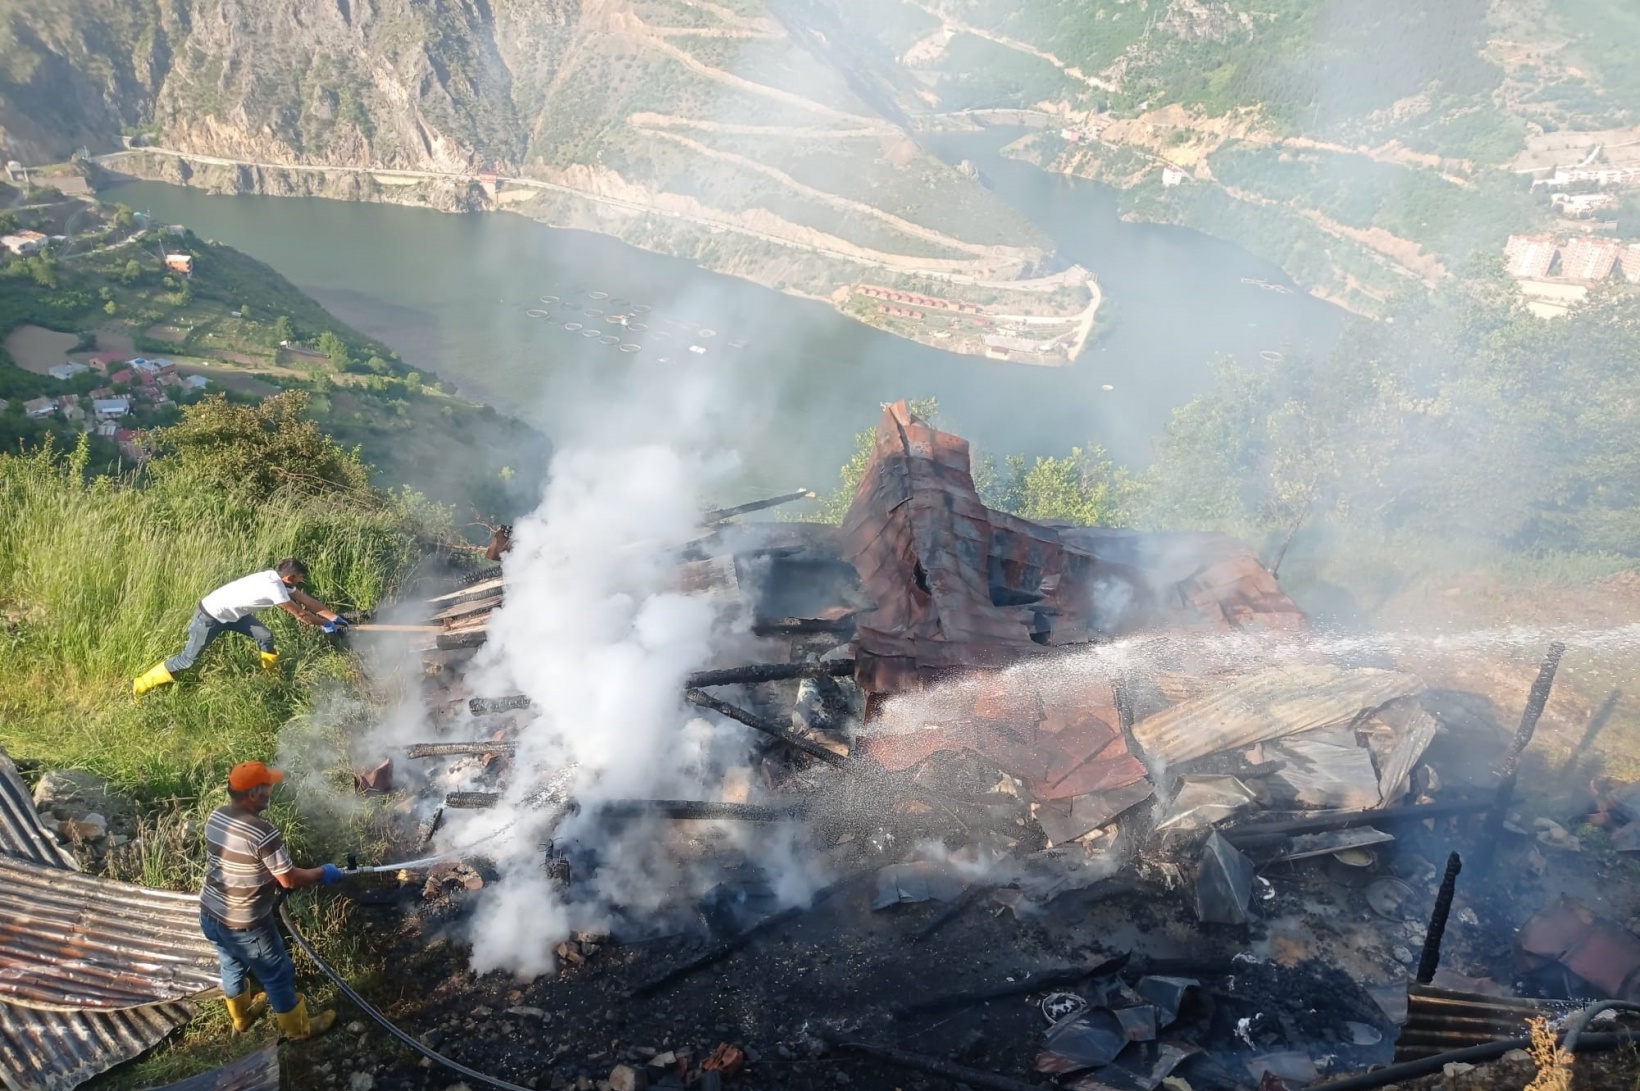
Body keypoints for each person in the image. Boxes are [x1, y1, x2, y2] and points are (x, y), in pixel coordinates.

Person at [200, 760, 345, 1039]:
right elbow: (288, 879)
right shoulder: (263, 832)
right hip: (247, 925)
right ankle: (299, 1030)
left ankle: (241, 1018)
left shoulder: (216, 816)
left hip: (210, 913)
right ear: (254, 794)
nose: (271, 791)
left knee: (231, 964)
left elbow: (235, 863)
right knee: (277, 973)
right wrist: (321, 873)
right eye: (267, 787)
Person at [133, 558, 349, 698]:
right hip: (209, 617)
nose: (301, 582)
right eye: (300, 578)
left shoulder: (276, 578)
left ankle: (271, 680)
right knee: (188, 660)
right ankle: (140, 684)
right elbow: (302, 615)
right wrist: (327, 625)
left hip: (233, 615)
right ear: (289, 577)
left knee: (265, 636)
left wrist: (336, 618)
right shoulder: (274, 589)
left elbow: (306, 601)